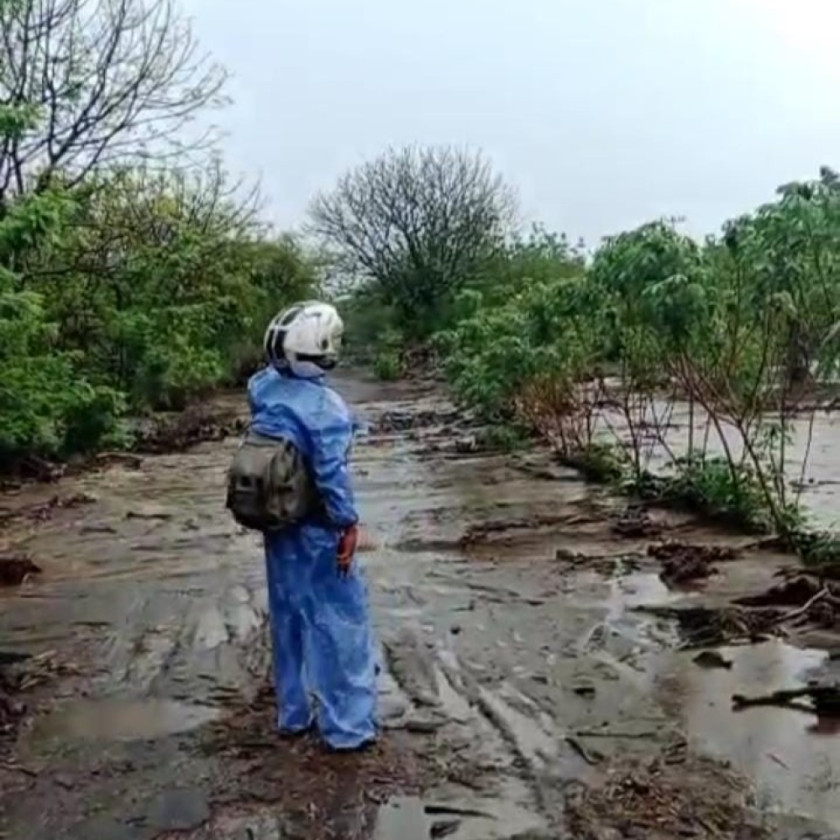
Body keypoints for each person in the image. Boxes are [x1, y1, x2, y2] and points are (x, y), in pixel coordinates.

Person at [247, 300, 377, 751]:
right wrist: (348, 525)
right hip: (317, 526)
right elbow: (331, 477)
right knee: (340, 622)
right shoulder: (326, 409)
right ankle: (348, 729)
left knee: (289, 615)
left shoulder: (262, 387)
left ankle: (294, 714)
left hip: (278, 521)